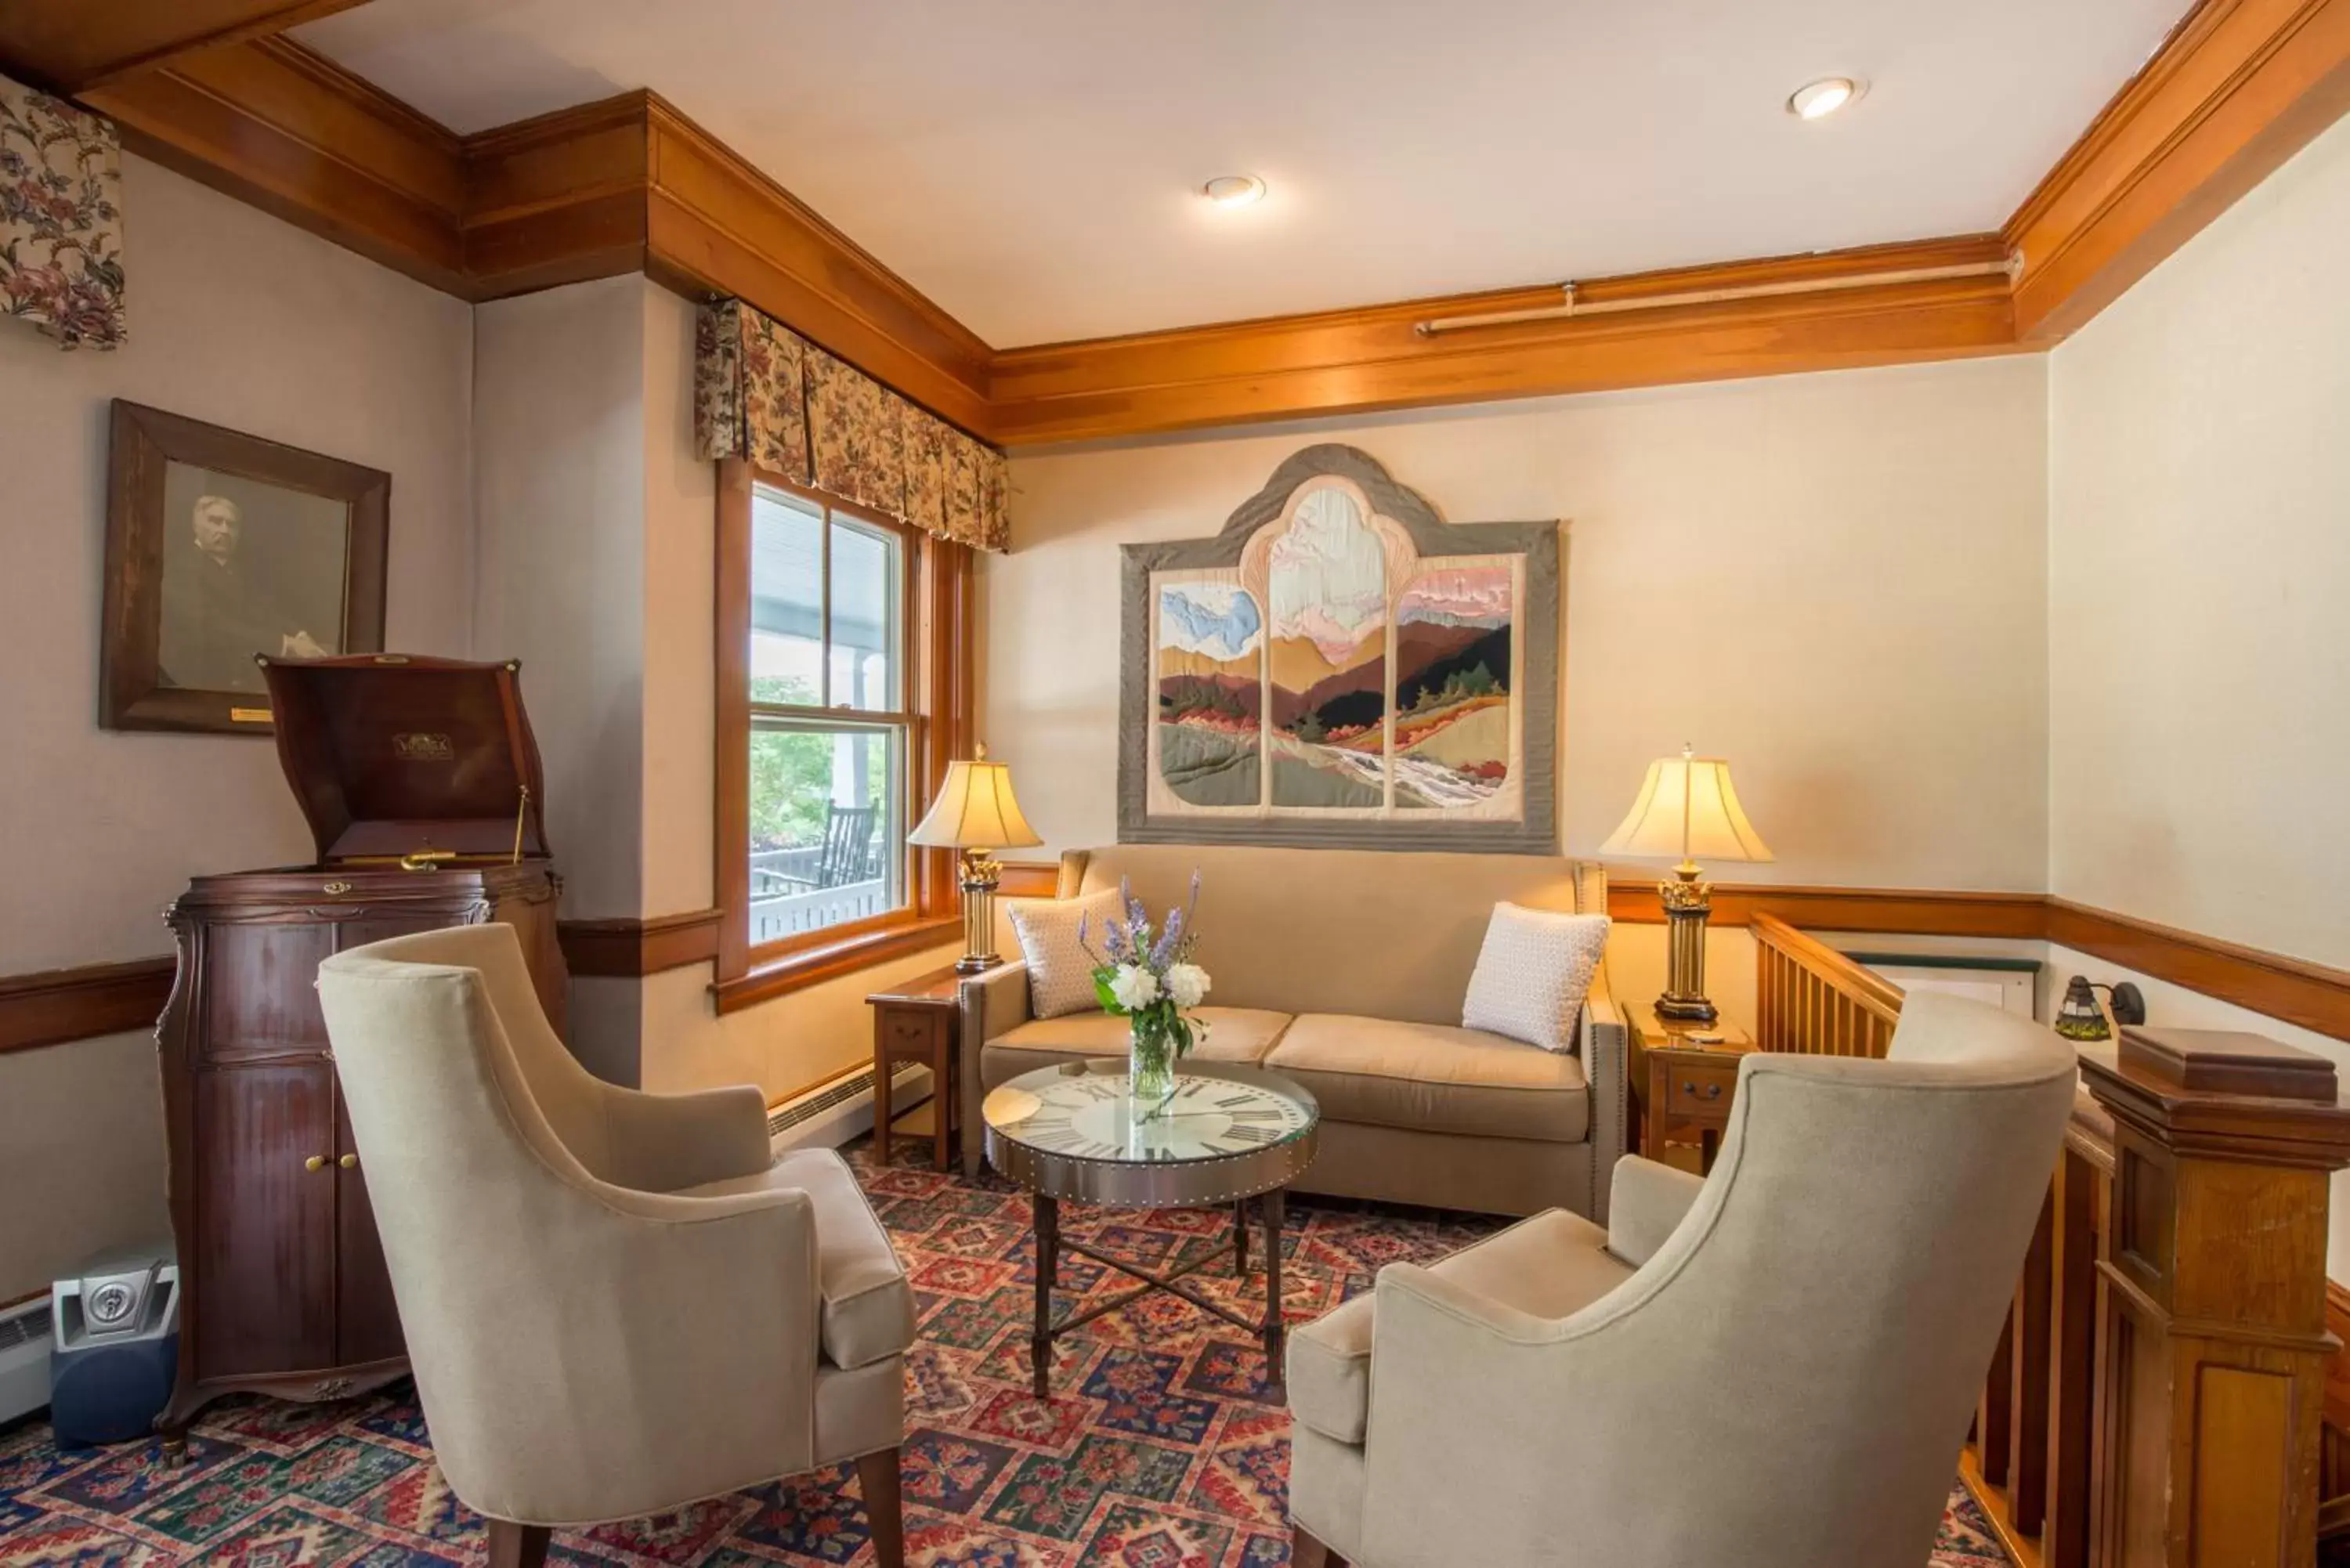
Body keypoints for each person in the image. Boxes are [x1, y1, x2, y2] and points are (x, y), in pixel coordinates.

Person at [157, 493, 334, 693]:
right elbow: (211, 626)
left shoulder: (238, 573)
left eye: (231, 525)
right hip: (199, 683)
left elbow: (263, 611)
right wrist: (286, 644)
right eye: (215, 521)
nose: (224, 530)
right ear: (196, 526)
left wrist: (299, 635)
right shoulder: (181, 570)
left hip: (242, 675)